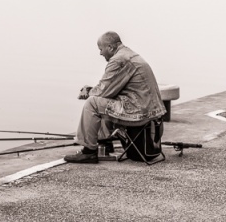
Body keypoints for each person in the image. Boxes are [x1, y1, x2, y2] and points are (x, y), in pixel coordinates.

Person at [64, 31, 166, 163]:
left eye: (101, 49)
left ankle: (89, 151)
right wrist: (93, 90)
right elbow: (110, 88)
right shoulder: (130, 54)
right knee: (105, 102)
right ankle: (105, 142)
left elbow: (103, 91)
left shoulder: (118, 59)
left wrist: (87, 92)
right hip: (152, 113)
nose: (100, 53)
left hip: (139, 114)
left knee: (92, 103)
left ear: (110, 47)